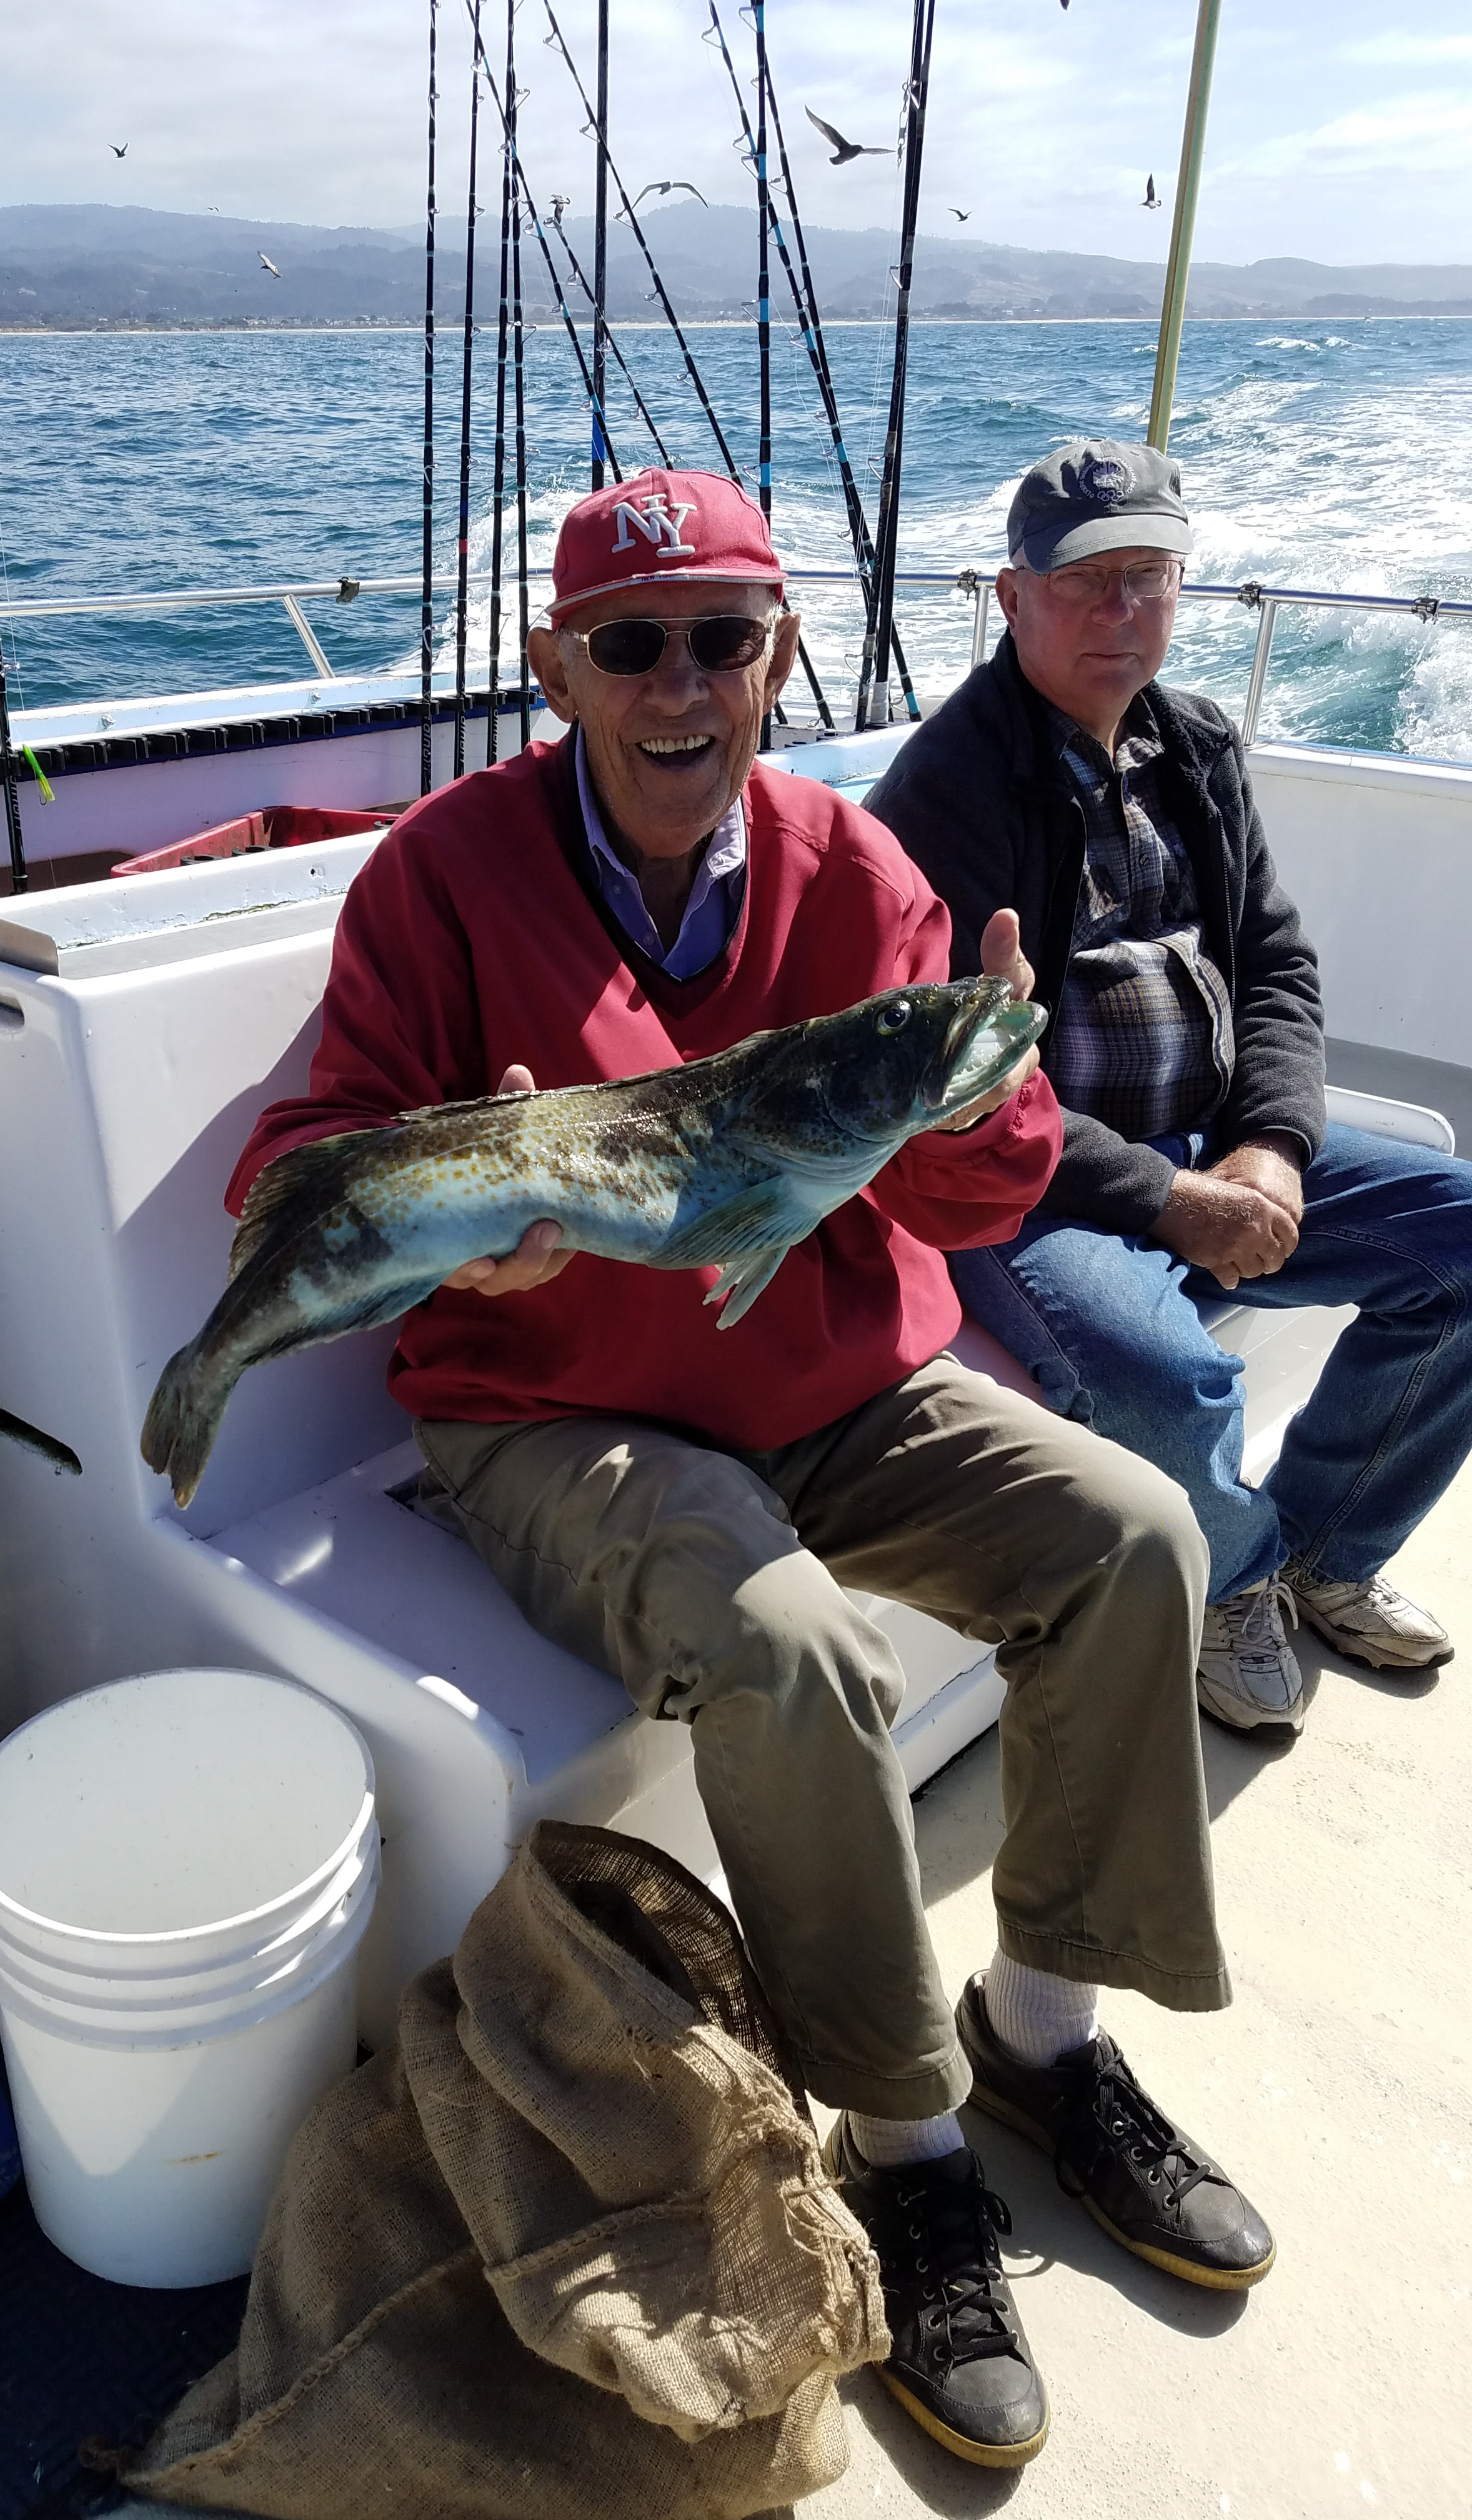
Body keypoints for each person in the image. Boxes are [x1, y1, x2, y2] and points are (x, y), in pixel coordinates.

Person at [228, 469, 1273, 2469]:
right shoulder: (437, 881)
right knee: (793, 1649)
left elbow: (990, 1189)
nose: (681, 681)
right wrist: (469, 1199)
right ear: (558, 667)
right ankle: (903, 2141)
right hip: (552, 1411)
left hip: (828, 1375)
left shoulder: (851, 869)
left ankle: (1042, 2036)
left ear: (780, 654)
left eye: (725, 635)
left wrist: (978, 1069)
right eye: (632, 643)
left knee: (1138, 1534)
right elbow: (305, 1161)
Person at [873, 438, 1472, 1738]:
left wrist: (1268, 1146)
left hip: (1206, 1140)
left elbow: (1275, 961)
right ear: (1010, 593)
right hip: (1030, 1187)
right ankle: (1237, 1578)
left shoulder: (1192, 741)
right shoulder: (948, 790)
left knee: (1463, 1237)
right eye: (1088, 581)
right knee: (1163, 1378)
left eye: (1152, 578)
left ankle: (1327, 1547)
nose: (1124, 613)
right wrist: (1168, 1198)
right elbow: (969, 1076)